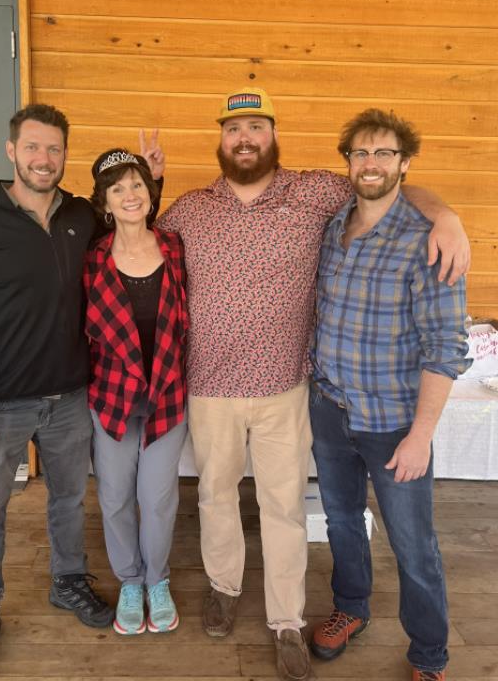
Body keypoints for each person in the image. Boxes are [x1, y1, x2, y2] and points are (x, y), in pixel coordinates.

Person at [156, 87, 470, 681]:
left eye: (256, 128)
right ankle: (223, 586)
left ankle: (286, 620)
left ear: (274, 135)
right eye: (233, 130)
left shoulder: (317, 193)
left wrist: (447, 215)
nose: (244, 139)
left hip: (288, 389)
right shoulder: (190, 210)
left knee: (283, 509)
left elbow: (389, 189)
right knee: (216, 496)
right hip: (210, 386)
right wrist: (147, 190)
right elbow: (137, 243)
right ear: (221, 140)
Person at [0, 105, 164, 681]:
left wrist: (154, 182)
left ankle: (67, 581)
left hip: (71, 397)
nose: (43, 159)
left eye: (54, 149)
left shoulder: (81, 216)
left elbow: (132, 223)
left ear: (64, 155)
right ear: (11, 151)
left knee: (66, 501)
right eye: (33, 147)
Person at [309, 109, 471, 681]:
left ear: (405, 162)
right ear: (347, 161)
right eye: (360, 153)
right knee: (342, 522)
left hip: (393, 423)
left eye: (384, 153)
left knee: (413, 545)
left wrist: (422, 437)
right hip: (329, 410)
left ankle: (429, 654)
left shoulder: (428, 240)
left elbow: (447, 345)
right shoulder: (334, 223)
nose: (370, 163)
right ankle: (351, 607)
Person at [84, 149, 189, 636]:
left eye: (138, 185)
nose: (130, 195)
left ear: (151, 194)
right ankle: (130, 581)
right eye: (118, 188)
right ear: (105, 201)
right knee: (115, 497)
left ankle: (156, 580)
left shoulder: (175, 247)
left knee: (158, 497)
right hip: (112, 399)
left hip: (167, 397)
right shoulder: (93, 257)